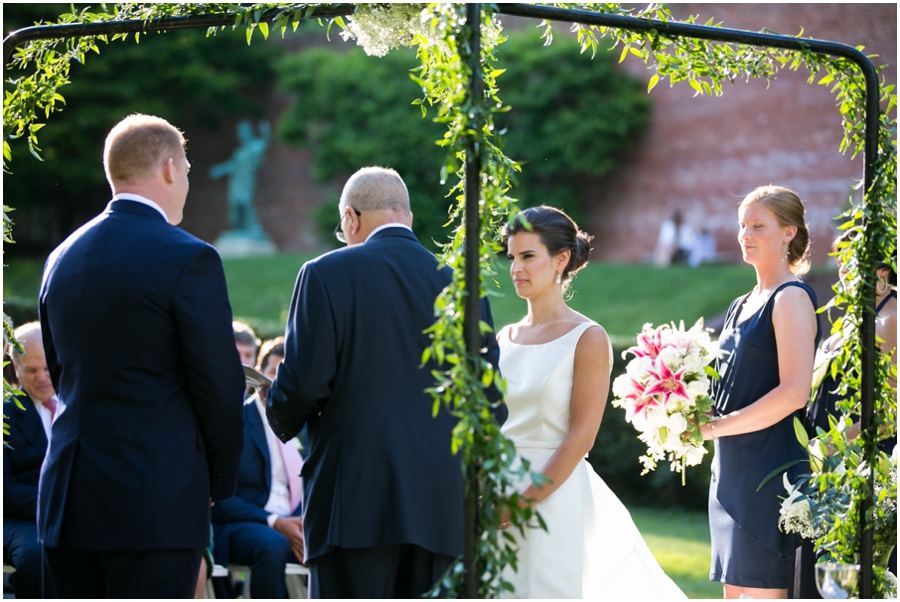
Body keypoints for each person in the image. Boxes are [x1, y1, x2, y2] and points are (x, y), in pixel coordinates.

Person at [265, 166, 507, 598]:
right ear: (407, 217)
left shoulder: (324, 274)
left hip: (353, 501)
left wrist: (277, 410)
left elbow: (302, 387)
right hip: (441, 503)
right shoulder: (463, 284)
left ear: (351, 218)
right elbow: (490, 400)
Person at [36, 113, 246, 598]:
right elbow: (218, 385)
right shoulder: (189, 257)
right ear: (170, 168)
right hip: (154, 502)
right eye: (189, 170)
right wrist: (214, 483)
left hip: (67, 500)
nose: (188, 182)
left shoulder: (60, 258)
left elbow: (61, 370)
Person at [497, 205, 685, 598]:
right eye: (512, 256)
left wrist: (519, 504)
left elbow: (582, 436)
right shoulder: (504, 338)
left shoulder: (588, 337)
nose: (516, 267)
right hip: (495, 491)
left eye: (528, 256)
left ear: (561, 259)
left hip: (552, 495)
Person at [698, 185, 820, 599]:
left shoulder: (791, 299)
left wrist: (715, 428)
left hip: (770, 475)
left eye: (758, 226)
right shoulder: (740, 303)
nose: (745, 234)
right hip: (731, 472)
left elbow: (793, 394)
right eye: (742, 225)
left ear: (789, 232)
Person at [790, 233, 897, 598]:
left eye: (850, 259)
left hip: (859, 469)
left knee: (847, 578)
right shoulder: (852, 317)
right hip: (824, 470)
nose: (841, 268)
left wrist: (829, 448)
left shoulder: (891, 319)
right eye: (838, 259)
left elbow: (890, 412)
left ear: (881, 269)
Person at [212, 337, 306, 599]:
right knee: (272, 544)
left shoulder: (305, 426)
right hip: (243, 524)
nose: (279, 380)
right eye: (274, 371)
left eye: (287, 374)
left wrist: (300, 523)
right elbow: (220, 500)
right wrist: (276, 522)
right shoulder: (235, 423)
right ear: (258, 375)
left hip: (293, 523)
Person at [3, 322, 59, 599]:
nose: (42, 377)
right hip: (24, 521)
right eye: (32, 370)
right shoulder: (5, 414)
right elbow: (5, 489)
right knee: (37, 557)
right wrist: (55, 503)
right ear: (15, 367)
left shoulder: (82, 407)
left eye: (48, 368)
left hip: (84, 516)